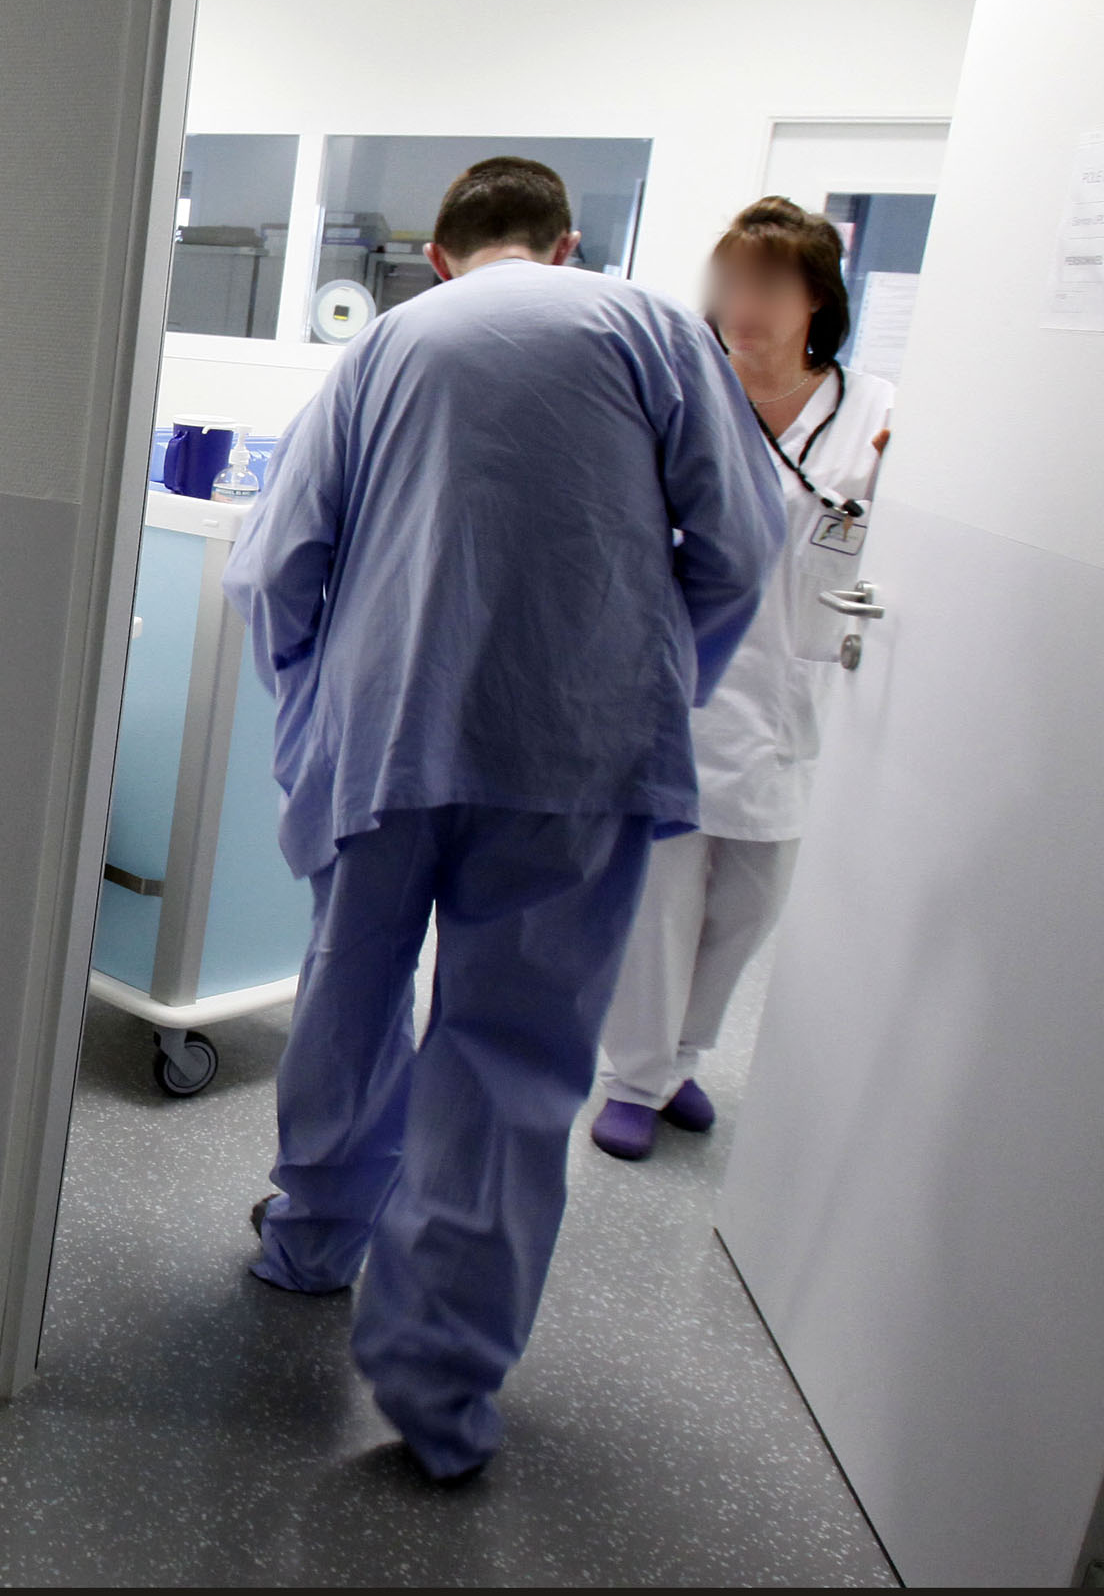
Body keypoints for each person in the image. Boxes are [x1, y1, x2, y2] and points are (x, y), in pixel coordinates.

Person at [222, 157, 785, 1481]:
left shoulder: (387, 346)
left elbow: (279, 564)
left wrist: (311, 707)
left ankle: (314, 1239)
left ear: (437, 254)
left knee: (350, 990)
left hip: (388, 732)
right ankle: (441, 1387)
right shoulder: (651, 329)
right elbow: (743, 547)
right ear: (566, 243)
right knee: (511, 1055)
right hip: (572, 752)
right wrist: (652, 683)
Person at [589, 197, 896, 1161]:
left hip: (797, 698)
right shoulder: (687, 397)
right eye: (732, 284)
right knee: (659, 901)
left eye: (767, 285)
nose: (743, 304)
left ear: (818, 301)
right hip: (684, 682)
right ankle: (634, 1076)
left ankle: (680, 1058)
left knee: (749, 904)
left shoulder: (878, 416)